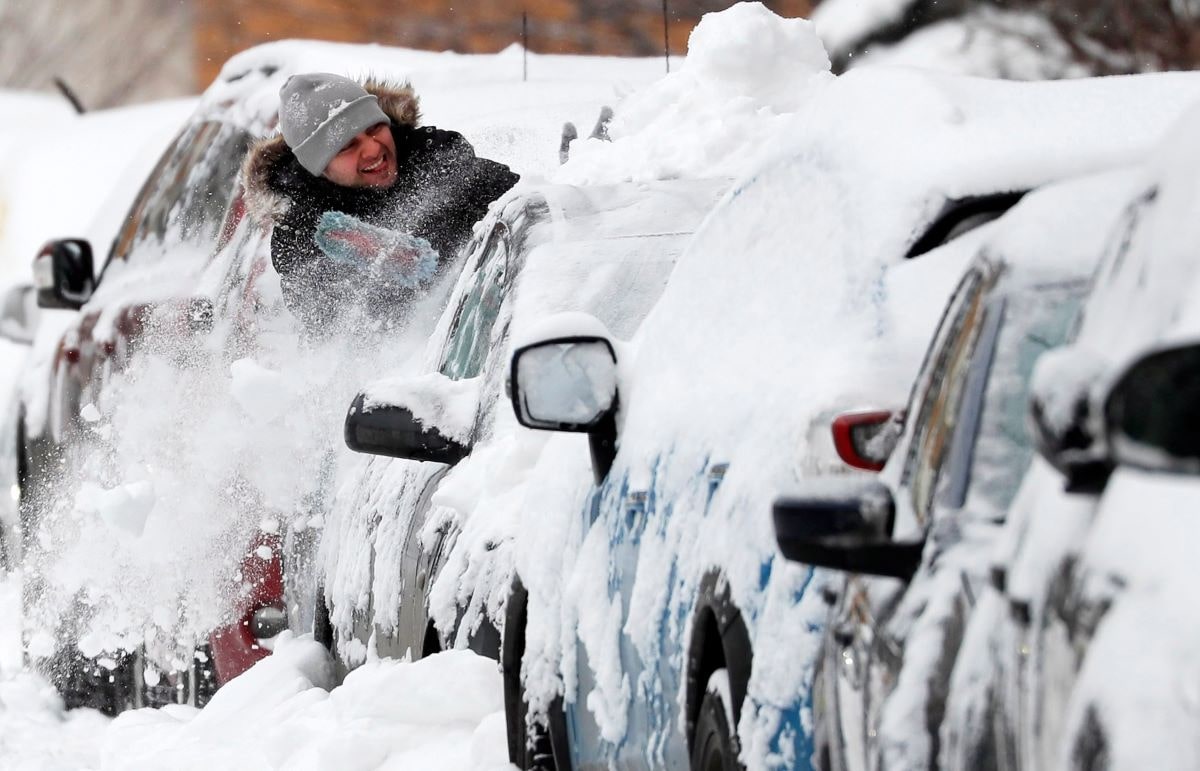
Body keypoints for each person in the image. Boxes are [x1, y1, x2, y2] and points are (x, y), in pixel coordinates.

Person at [243, 73, 519, 336]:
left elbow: (523, 208)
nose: (373, 149)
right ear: (319, 167)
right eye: (347, 146)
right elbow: (338, 335)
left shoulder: (435, 158)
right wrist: (384, 262)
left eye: (375, 128)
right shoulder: (304, 232)